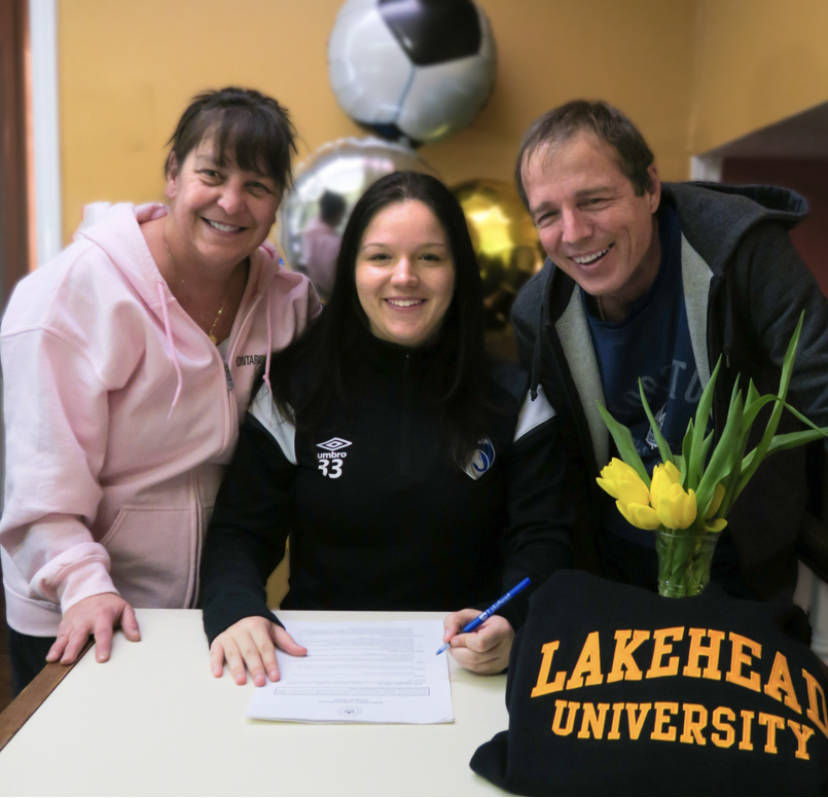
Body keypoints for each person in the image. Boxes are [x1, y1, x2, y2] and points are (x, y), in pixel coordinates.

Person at [0, 87, 320, 694]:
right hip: (78, 605)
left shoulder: (289, 304)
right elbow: (39, 490)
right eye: (211, 174)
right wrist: (84, 585)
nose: (232, 202)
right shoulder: (69, 299)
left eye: (258, 186)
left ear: (278, 203)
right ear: (173, 175)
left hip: (211, 608)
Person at [199, 171, 573, 684]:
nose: (404, 276)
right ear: (351, 269)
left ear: (459, 270)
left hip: (466, 667)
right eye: (379, 257)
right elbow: (240, 531)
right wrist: (237, 610)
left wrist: (512, 620)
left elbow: (545, 539)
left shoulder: (516, 398)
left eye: (429, 257)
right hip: (312, 664)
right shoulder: (294, 391)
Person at [511, 99, 828, 601]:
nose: (572, 234)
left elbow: (820, 383)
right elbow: (556, 471)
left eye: (593, 200)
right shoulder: (538, 313)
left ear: (651, 188)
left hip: (743, 565)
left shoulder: (742, 250)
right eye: (548, 214)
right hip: (614, 570)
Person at [301, 190, 346, 302]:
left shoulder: (310, 230)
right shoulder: (331, 242)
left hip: (317, 289)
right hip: (331, 294)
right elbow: (333, 275)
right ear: (337, 214)